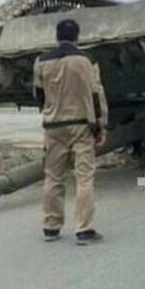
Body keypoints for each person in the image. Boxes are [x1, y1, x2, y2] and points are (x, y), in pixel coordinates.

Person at [33, 18, 108, 245]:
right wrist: (100, 125)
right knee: (84, 177)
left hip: (53, 126)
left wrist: (49, 110)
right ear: (77, 37)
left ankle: (51, 227)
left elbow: (38, 95)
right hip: (81, 124)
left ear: (57, 36)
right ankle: (84, 230)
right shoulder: (87, 60)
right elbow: (96, 94)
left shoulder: (41, 61)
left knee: (53, 177)